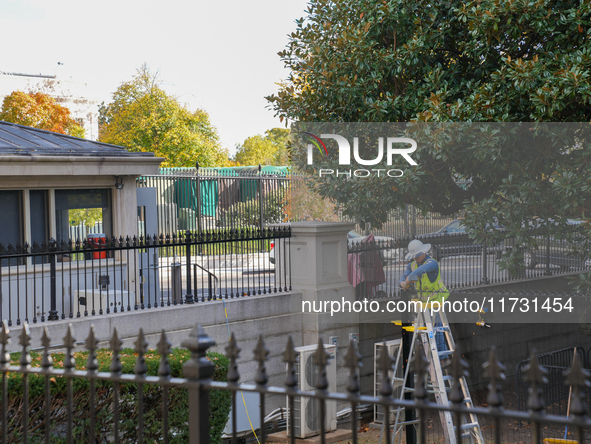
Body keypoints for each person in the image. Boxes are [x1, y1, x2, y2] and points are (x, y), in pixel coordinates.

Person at [399, 239, 451, 367]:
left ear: (423, 252)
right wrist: (403, 283)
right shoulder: (411, 265)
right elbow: (403, 278)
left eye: (417, 255)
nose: (416, 258)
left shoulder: (432, 263)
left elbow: (419, 271)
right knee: (430, 330)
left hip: (437, 302)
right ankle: (441, 358)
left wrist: (408, 280)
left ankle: (443, 357)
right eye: (414, 256)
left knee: (436, 329)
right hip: (424, 304)